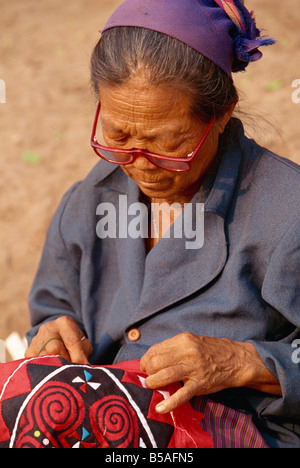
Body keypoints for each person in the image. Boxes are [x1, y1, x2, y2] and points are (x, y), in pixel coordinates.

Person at [24, 0, 300, 448]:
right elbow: (53, 309)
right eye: (118, 136)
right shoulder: (90, 198)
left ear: (222, 112)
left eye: (168, 143)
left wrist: (243, 361)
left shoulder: (288, 212)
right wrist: (53, 332)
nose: (140, 164)